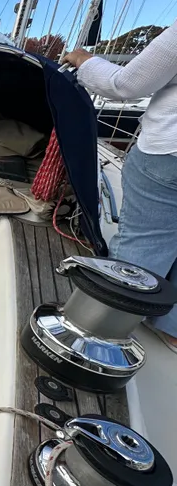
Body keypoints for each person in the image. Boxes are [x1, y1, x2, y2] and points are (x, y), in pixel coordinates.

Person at [64, 20, 177, 352]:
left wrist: (84, 61)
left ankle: (101, 335)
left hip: (168, 156)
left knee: (144, 246)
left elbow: (125, 85)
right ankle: (172, 330)